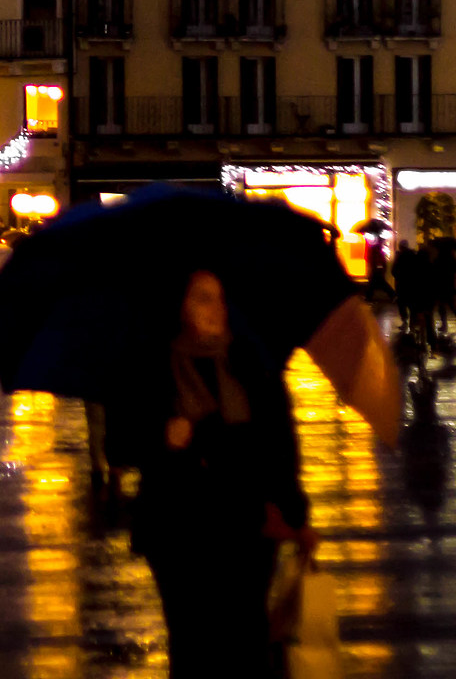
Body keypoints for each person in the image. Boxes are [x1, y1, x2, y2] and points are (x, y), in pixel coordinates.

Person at [109, 270, 312, 678]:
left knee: (247, 640)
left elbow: (280, 442)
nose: (216, 309)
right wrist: (161, 435)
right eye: (203, 298)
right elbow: (118, 444)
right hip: (177, 528)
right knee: (192, 643)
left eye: (220, 298)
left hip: (247, 525)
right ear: (179, 306)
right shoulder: (149, 362)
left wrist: (294, 512)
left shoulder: (251, 361)